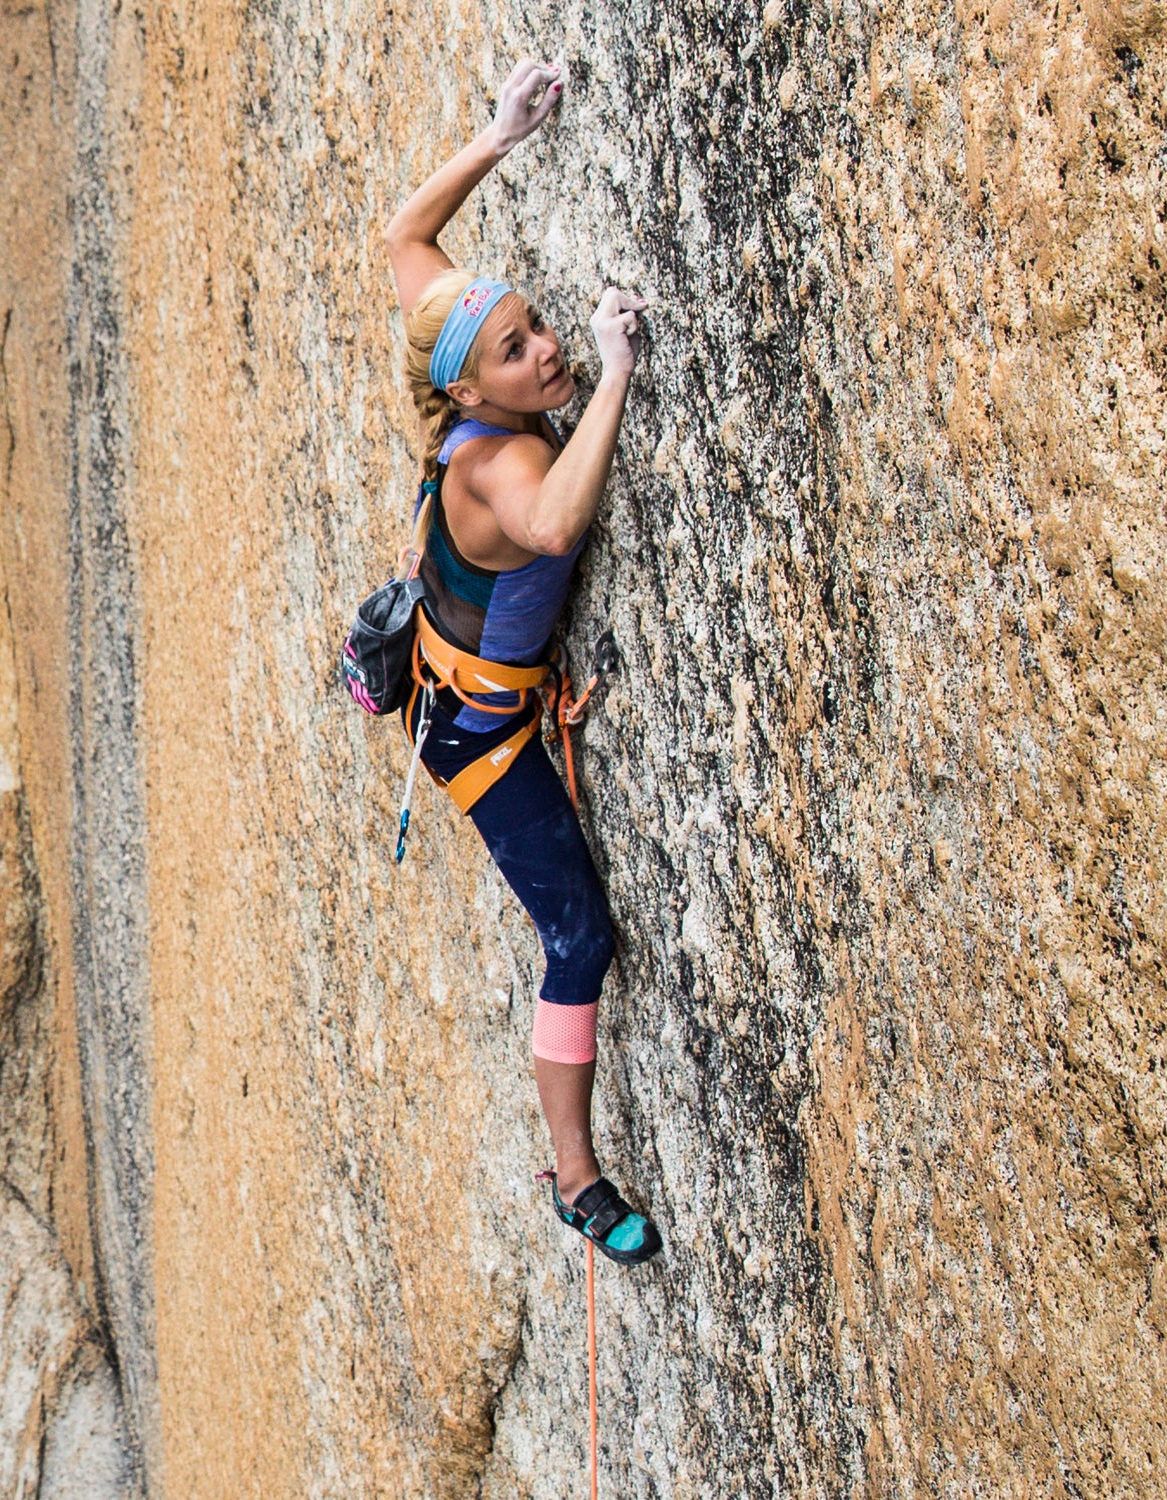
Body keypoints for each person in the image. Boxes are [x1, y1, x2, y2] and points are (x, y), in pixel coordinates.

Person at [382, 57, 661, 1266]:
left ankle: (575, 1167)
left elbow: (403, 235)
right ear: (471, 387)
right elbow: (552, 523)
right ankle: (575, 1175)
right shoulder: (498, 465)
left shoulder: (445, 320)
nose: (540, 350)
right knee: (580, 940)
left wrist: (498, 137)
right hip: (476, 739)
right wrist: (613, 374)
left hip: (480, 678)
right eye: (517, 353)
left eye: (536, 326)